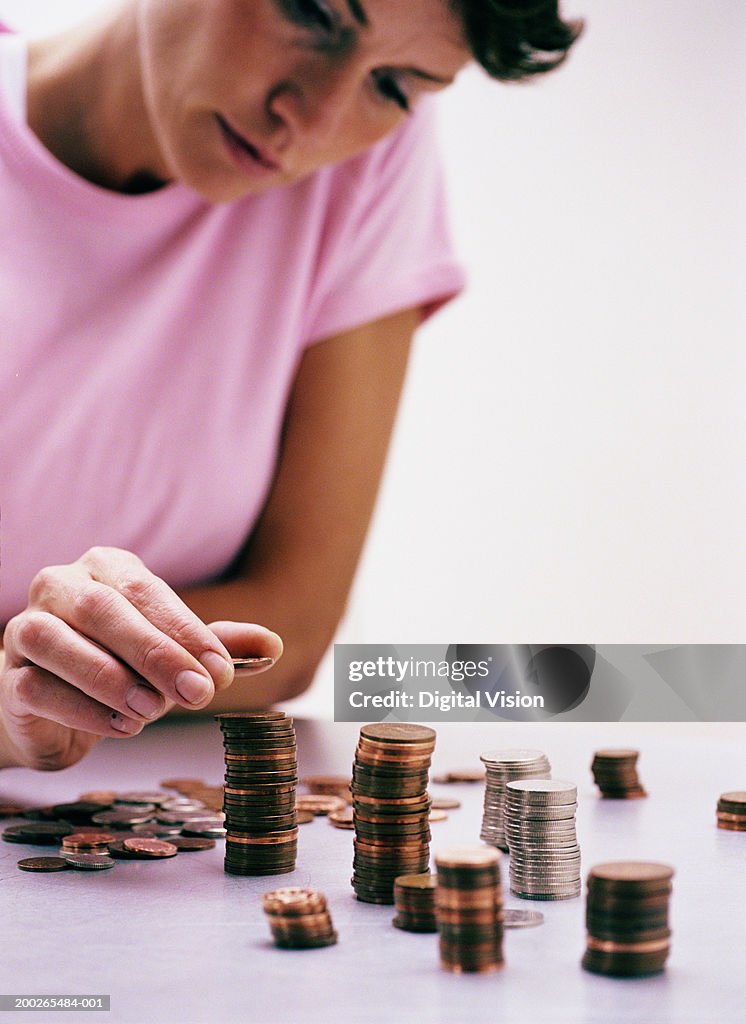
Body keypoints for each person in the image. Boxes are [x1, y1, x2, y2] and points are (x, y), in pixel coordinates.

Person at [0, 0, 581, 772]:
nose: (310, 122)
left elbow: (295, 624)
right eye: (312, 13)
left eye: (398, 84)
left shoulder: (368, 159)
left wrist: (45, 691)